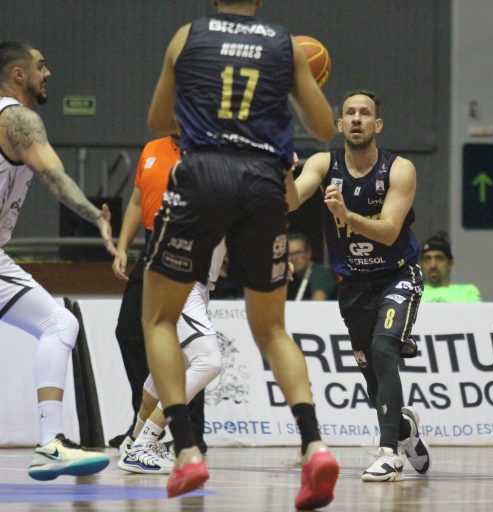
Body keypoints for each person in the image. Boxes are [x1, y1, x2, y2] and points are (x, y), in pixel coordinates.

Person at [144, 0, 339, 505]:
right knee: (272, 329)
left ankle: (186, 452)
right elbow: (324, 127)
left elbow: (157, 119)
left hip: (204, 174)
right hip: (263, 182)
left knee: (160, 319)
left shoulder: (186, 37)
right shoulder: (283, 44)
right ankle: (314, 445)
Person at [292, 90, 432, 482]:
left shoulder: (399, 169)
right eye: (350, 113)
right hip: (353, 285)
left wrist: (345, 214)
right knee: (372, 377)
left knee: (384, 348)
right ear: (339, 124)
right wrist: (282, 175)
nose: (356, 118)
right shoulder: (324, 163)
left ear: (377, 124)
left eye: (365, 113)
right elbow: (291, 200)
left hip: (397, 275)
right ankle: (404, 430)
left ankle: (389, 453)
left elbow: (388, 232)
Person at [0, 41, 114, 480]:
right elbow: (53, 174)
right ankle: (51, 444)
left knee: (59, 323)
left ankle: (52, 444)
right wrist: (94, 215)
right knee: (58, 323)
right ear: (18, 75)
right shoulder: (19, 119)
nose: (47, 74)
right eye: (40, 66)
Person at [112, 135, 225, 472]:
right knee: (209, 361)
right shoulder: (206, 176)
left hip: (186, 279)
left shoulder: (215, 171)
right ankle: (146, 442)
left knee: (169, 367)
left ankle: (134, 439)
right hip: (179, 278)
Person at [420, 231, 482, 303]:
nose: (432, 265)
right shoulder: (412, 294)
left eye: (439, 258)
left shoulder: (468, 292)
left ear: (450, 263)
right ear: (421, 264)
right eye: (427, 259)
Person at [287, 232, 337, 301]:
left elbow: (318, 302)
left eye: (298, 253)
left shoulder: (320, 273)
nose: (293, 258)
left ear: (309, 252)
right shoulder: (291, 277)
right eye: (289, 254)